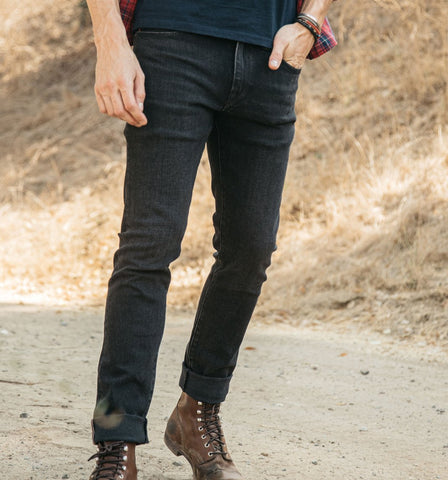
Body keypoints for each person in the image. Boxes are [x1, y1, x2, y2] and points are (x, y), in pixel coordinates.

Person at [85, 1, 337, 479]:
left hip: (270, 55)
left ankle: (196, 412)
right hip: (172, 44)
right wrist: (110, 41)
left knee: (251, 249)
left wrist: (310, 22)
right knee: (147, 246)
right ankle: (116, 438)